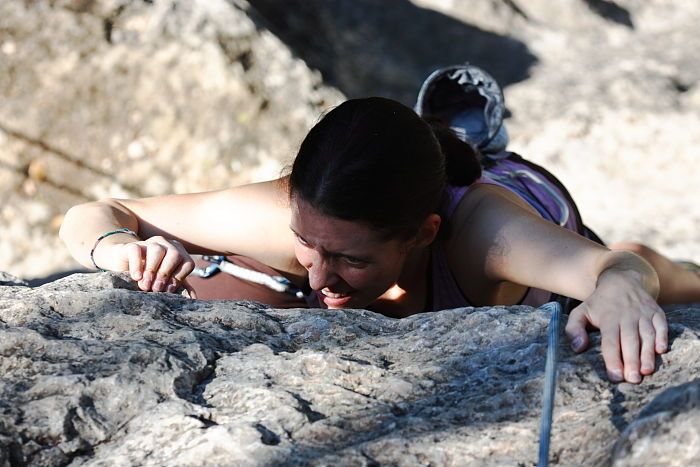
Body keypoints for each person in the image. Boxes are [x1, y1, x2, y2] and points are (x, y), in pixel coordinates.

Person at [60, 95, 700, 387]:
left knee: (650, 273)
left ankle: (465, 138)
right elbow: (98, 211)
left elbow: (608, 267)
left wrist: (621, 287)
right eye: (308, 245)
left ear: (424, 234)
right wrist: (118, 248)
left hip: (523, 197)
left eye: (349, 258)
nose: (319, 277)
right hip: (410, 197)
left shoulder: (484, 235)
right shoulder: (288, 211)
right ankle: (445, 125)